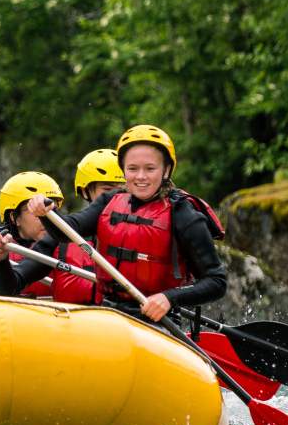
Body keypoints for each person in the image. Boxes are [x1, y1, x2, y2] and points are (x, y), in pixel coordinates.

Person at [19, 125, 227, 322]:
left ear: (166, 170)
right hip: (109, 316)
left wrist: (168, 298)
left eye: (150, 168)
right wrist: (47, 212)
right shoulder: (110, 202)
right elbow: (67, 231)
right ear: (123, 170)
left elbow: (216, 281)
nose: (141, 177)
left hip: (158, 324)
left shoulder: (183, 213)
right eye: (133, 168)